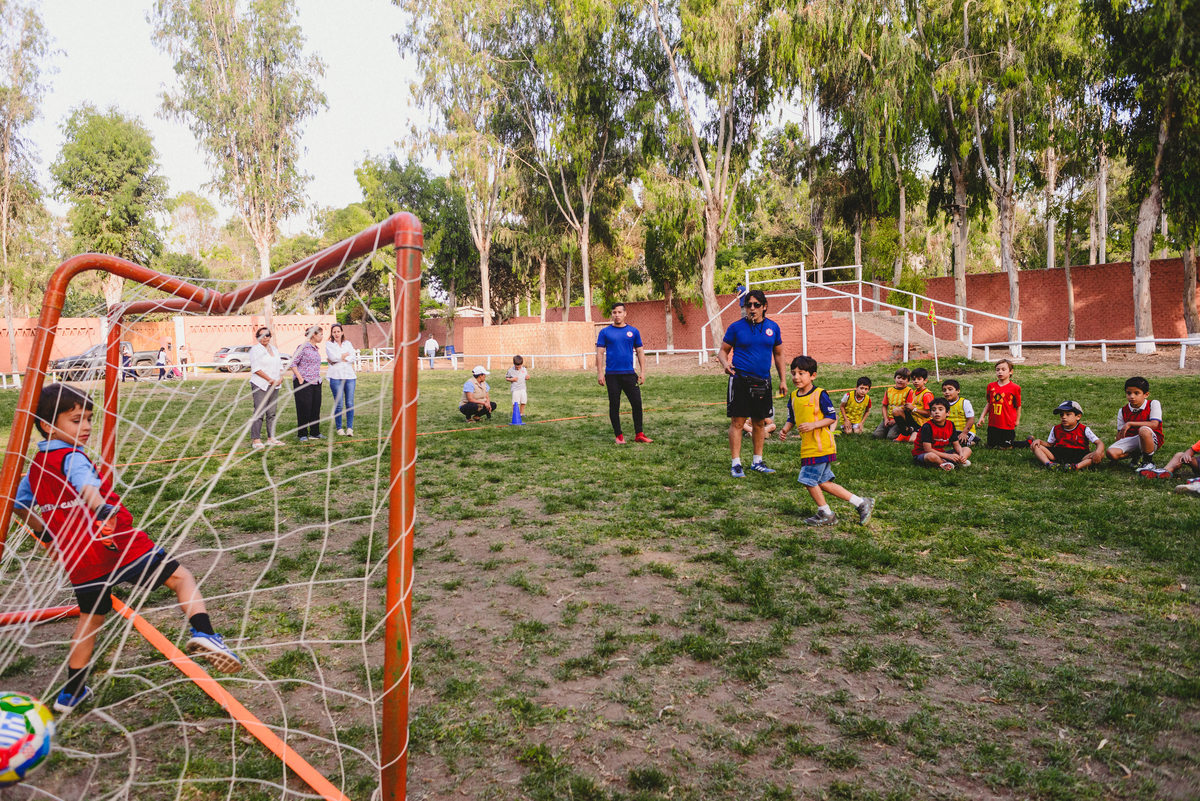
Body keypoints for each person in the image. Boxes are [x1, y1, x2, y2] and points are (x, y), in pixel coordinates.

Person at [12, 383, 241, 712]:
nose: (88, 426)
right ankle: (204, 633)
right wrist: (101, 509)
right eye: (77, 420)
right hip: (115, 545)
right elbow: (87, 486)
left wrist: (48, 536)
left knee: (90, 620)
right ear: (48, 425)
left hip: (78, 558)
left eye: (90, 418)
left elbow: (19, 507)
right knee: (181, 578)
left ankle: (71, 693)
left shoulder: (33, 470)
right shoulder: (73, 457)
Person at [776, 355, 874, 526]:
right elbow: (792, 418)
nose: (796, 377)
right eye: (793, 373)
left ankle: (826, 513)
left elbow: (831, 417)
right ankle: (861, 503)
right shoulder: (793, 396)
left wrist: (814, 425)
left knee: (807, 480)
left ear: (813, 375)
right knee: (823, 483)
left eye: (801, 373)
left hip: (821, 446)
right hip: (808, 446)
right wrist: (785, 429)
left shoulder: (820, 394)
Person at [718, 289, 786, 476]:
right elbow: (722, 351)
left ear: (764, 307)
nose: (752, 308)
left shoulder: (773, 328)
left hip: (763, 382)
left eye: (757, 305)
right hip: (740, 380)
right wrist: (725, 364)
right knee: (738, 422)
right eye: (749, 305)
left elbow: (779, 354)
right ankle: (736, 463)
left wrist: (783, 380)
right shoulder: (736, 327)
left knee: (759, 423)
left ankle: (757, 462)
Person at [595, 302, 652, 444]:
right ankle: (619, 436)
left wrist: (643, 372)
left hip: (629, 374)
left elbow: (640, 351)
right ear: (611, 314)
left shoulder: (633, 331)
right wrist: (600, 373)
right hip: (612, 375)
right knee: (614, 405)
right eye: (614, 312)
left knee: (637, 403)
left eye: (620, 312)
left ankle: (639, 434)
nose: (617, 315)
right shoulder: (605, 332)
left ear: (625, 313)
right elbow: (600, 353)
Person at [1106, 376, 1162, 469]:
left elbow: (1154, 424)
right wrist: (1119, 446)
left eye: (1136, 393)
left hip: (1151, 438)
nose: (1132, 396)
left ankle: (1148, 461)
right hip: (1133, 439)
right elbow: (1120, 432)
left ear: (1146, 394)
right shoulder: (1123, 411)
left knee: (1143, 430)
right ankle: (1136, 455)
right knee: (1111, 453)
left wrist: (1130, 423)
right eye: (1129, 393)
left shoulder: (1153, 404)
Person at [1031, 400, 1104, 471]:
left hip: (1080, 456)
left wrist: (1098, 452)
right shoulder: (1055, 429)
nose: (1064, 417)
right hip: (1059, 453)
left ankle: (1075, 467)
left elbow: (1099, 443)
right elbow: (1049, 444)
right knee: (1036, 446)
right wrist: (1040, 441)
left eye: (1068, 414)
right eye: (1061, 414)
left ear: (1078, 416)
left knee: (1101, 454)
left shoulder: (1084, 429)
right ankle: (1049, 464)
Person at [912, 397, 972, 470]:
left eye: (940, 409)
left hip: (940, 453)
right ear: (931, 414)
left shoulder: (950, 425)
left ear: (947, 413)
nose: (936, 412)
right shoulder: (927, 427)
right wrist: (948, 456)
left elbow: (956, 444)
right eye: (933, 410)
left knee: (967, 449)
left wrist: (961, 455)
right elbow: (927, 449)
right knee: (931, 456)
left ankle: (960, 461)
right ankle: (943, 463)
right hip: (923, 454)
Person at [249, 327, 284, 449]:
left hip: (275, 384)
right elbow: (256, 368)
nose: (265, 338)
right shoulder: (255, 350)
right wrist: (269, 379)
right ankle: (256, 439)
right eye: (262, 335)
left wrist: (280, 377)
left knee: (272, 412)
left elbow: (280, 366)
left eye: (267, 335)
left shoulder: (274, 349)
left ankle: (271, 438)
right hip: (261, 384)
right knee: (259, 412)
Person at [290, 325, 324, 442]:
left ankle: (315, 432)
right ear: (314, 335)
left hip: (316, 382)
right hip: (304, 382)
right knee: (304, 408)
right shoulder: (303, 347)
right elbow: (293, 363)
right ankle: (302, 434)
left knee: (315, 408)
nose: (322, 336)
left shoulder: (316, 349)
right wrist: (300, 378)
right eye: (320, 334)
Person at [981, 359, 1022, 448]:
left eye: (1003, 370)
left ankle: (1028, 442)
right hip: (993, 422)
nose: (1000, 372)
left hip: (1007, 422)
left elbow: (1018, 406)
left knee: (1006, 446)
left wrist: (1017, 420)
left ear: (1010, 372)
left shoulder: (1015, 388)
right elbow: (989, 403)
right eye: (997, 370)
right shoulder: (991, 386)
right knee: (991, 445)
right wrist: (982, 417)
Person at [326, 323, 358, 436]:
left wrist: (340, 358)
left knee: (349, 403)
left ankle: (350, 428)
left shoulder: (347, 343)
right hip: (336, 377)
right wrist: (342, 357)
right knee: (339, 404)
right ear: (332, 333)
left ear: (342, 332)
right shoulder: (329, 344)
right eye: (334, 332)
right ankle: (339, 428)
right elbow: (331, 357)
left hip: (349, 377)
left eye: (338, 331)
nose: (336, 334)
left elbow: (353, 357)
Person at [872, 368, 911, 439]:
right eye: (898, 378)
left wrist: (895, 420)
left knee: (891, 437)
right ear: (894, 378)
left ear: (908, 381)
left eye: (904, 378)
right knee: (876, 435)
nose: (900, 380)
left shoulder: (909, 391)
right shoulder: (889, 391)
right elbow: (884, 406)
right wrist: (886, 419)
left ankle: (905, 431)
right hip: (888, 419)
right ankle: (884, 429)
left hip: (899, 420)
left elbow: (908, 409)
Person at [898, 367, 934, 440]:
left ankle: (913, 432)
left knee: (912, 441)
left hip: (923, 423)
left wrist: (913, 409)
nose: (916, 382)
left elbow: (929, 414)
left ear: (925, 381)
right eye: (914, 379)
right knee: (896, 411)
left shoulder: (927, 394)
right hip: (914, 419)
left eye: (919, 379)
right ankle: (905, 432)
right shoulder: (914, 392)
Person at [941, 379, 979, 447]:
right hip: (951, 431)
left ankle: (974, 441)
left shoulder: (965, 402)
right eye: (944, 390)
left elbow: (971, 419)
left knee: (960, 443)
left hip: (964, 431)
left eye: (950, 389)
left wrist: (964, 433)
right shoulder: (943, 404)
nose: (947, 392)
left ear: (958, 391)